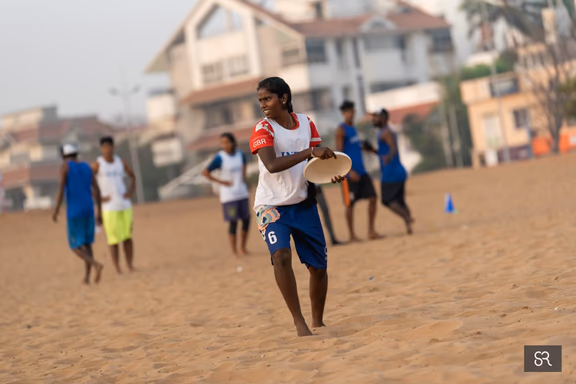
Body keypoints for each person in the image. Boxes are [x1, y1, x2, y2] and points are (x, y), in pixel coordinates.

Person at [250, 77, 345, 337]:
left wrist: (332, 172)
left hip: (303, 203)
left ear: (283, 98)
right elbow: (271, 165)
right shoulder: (263, 129)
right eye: (260, 100)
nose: (263, 105)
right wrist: (309, 153)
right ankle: (299, 322)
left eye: (267, 99)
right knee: (281, 257)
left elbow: (316, 163)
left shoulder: (306, 123)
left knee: (319, 268)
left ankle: (318, 321)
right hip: (271, 207)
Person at [52, 144, 104, 284]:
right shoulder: (87, 167)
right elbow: (98, 190)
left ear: (64, 156)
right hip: (89, 208)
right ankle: (87, 278)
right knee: (87, 244)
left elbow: (61, 190)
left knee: (74, 245)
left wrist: (56, 210)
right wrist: (100, 212)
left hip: (74, 211)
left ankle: (95, 264)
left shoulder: (65, 167)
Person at [335, 100, 380, 242]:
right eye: (347, 111)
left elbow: (355, 147)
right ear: (343, 114)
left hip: (362, 171)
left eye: (352, 111)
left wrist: (368, 148)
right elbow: (339, 153)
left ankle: (371, 230)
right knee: (350, 204)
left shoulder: (354, 129)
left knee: (373, 198)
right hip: (349, 174)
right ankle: (352, 235)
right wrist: (348, 172)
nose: (350, 114)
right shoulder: (341, 130)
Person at [91, 137, 136, 274]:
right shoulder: (97, 164)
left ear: (113, 147)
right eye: (104, 147)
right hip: (108, 207)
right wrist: (97, 197)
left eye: (109, 146)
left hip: (124, 204)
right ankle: (117, 267)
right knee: (113, 239)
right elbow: (86, 182)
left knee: (127, 236)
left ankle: (130, 264)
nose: (107, 150)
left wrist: (130, 192)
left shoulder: (120, 162)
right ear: (101, 148)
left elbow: (132, 176)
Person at [202, 132, 251, 257]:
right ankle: (234, 250)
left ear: (233, 142)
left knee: (246, 220)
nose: (225, 145)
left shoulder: (240, 154)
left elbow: (244, 168)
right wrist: (221, 182)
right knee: (233, 222)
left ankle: (243, 248)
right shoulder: (220, 158)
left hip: (242, 192)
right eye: (223, 143)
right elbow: (206, 172)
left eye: (227, 142)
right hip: (229, 196)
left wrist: (244, 180)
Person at [370, 109, 414, 234]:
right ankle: (408, 224)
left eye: (376, 117)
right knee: (399, 201)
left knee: (386, 200)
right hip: (397, 171)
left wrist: (389, 157)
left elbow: (392, 147)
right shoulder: (384, 132)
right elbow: (383, 152)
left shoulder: (386, 133)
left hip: (391, 173)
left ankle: (407, 217)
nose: (373, 119)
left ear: (383, 118)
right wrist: (371, 150)